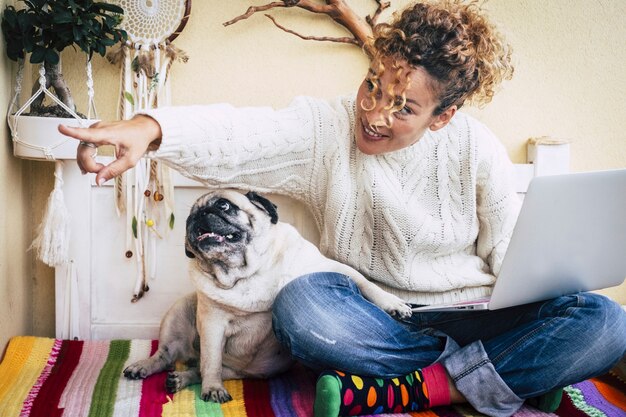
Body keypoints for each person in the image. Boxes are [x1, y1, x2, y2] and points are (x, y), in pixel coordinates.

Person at [59, 1, 626, 416]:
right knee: (302, 309)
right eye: (373, 85)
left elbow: (507, 250)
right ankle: (505, 372)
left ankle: (419, 387)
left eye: (403, 106)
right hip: (372, 318)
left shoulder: (474, 145)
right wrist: (149, 127)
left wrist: (542, 290)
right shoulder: (326, 130)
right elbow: (242, 134)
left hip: (472, 311)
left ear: (443, 116)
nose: (375, 112)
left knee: (604, 322)